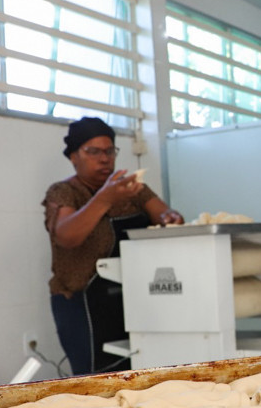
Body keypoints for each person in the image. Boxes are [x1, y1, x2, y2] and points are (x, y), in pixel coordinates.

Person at [43, 117, 184, 375]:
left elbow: (166, 214)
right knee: (94, 379)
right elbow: (67, 237)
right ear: (74, 156)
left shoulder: (133, 189)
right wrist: (104, 199)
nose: (105, 159)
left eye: (109, 151)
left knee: (141, 372)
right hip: (81, 305)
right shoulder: (63, 192)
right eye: (93, 151)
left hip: (134, 299)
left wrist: (169, 218)